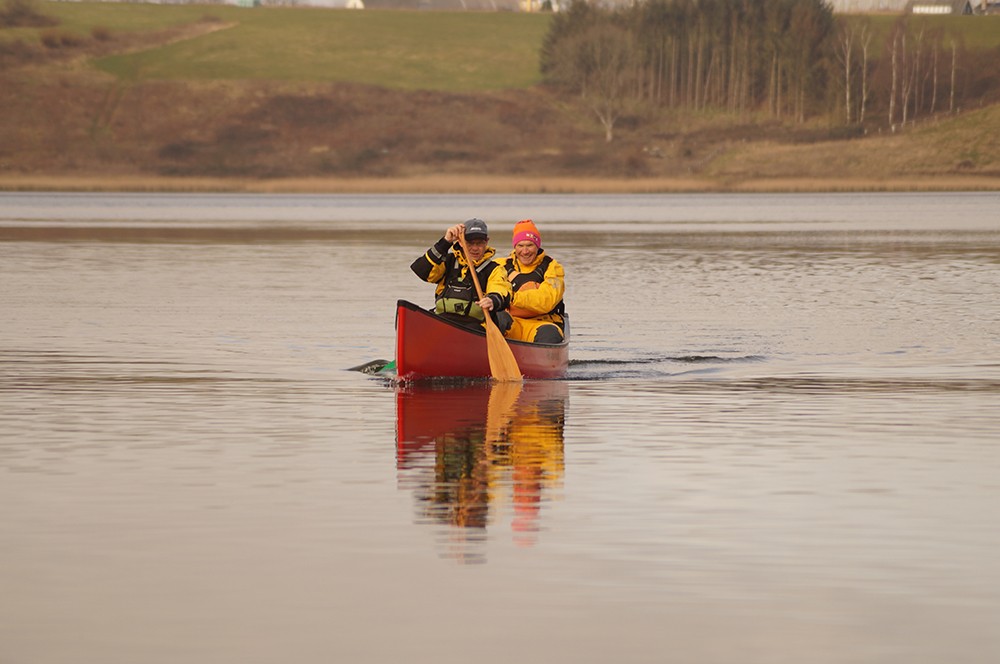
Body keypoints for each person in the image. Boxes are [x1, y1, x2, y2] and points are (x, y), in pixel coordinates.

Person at [410, 218, 511, 329]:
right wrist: (445, 242)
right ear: (460, 242)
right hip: (442, 319)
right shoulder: (448, 261)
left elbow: (501, 291)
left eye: (480, 243)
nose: (475, 248)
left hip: (475, 325)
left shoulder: (494, 269)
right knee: (414, 320)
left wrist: (492, 300)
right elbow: (421, 270)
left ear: (486, 242)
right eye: (470, 243)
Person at [489, 219, 566, 344]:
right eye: (520, 246)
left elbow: (546, 301)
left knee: (549, 335)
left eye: (529, 245)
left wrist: (509, 298)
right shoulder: (499, 265)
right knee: (492, 319)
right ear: (515, 246)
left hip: (543, 323)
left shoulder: (553, 268)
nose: (525, 251)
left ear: (537, 245)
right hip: (512, 324)